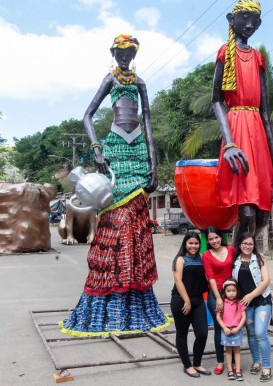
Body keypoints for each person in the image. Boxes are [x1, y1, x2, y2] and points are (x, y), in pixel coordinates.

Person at [60, 34, 168, 336]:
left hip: (139, 154)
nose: (125, 56)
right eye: (120, 51)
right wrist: (97, 149)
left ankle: (137, 301)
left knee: (137, 227)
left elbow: (147, 118)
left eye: (129, 52)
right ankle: (109, 299)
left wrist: (153, 162)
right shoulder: (111, 78)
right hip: (115, 149)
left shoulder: (140, 82)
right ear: (113, 52)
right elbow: (87, 115)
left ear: (134, 53)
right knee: (117, 225)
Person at [212, 0, 273, 243]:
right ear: (232, 20)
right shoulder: (225, 52)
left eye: (254, 20)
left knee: (263, 213)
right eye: (244, 17)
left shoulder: (258, 58)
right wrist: (230, 144)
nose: (249, 23)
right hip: (237, 132)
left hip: (258, 137)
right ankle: (236, 270)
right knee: (246, 212)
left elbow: (266, 113)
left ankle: (244, 263)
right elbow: (216, 101)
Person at [232, 233, 273, 382]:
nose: (247, 246)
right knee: (251, 333)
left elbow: (266, 280)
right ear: (239, 245)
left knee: (260, 333)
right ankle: (256, 361)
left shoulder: (259, 259)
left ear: (254, 245)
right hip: (246, 304)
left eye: (250, 244)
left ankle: (267, 366)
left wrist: (251, 295)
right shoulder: (235, 261)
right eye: (245, 243)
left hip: (262, 301)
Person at [170, 231, 210, 378]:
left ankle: (197, 362)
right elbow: (178, 281)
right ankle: (187, 365)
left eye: (196, 243)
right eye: (190, 243)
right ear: (185, 244)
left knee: (202, 333)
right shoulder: (180, 259)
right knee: (182, 333)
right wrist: (186, 300)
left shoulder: (201, 258)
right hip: (181, 301)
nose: (193, 246)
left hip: (198, 300)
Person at [202, 226, 236, 374]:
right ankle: (220, 361)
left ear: (220, 237)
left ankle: (234, 361)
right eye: (211, 239)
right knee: (219, 328)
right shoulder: (206, 255)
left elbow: (243, 260)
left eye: (216, 237)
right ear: (207, 241)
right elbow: (211, 277)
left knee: (233, 326)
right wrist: (218, 298)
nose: (214, 241)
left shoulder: (231, 249)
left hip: (232, 293)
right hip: (216, 293)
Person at [216, 278, 246, 381]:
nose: (231, 293)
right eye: (228, 291)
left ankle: (237, 370)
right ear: (224, 291)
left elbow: (244, 317)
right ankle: (229, 370)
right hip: (226, 331)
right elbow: (218, 317)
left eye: (233, 291)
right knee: (228, 351)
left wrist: (238, 328)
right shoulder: (222, 303)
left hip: (236, 330)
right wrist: (224, 327)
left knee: (237, 351)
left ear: (237, 291)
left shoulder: (240, 303)